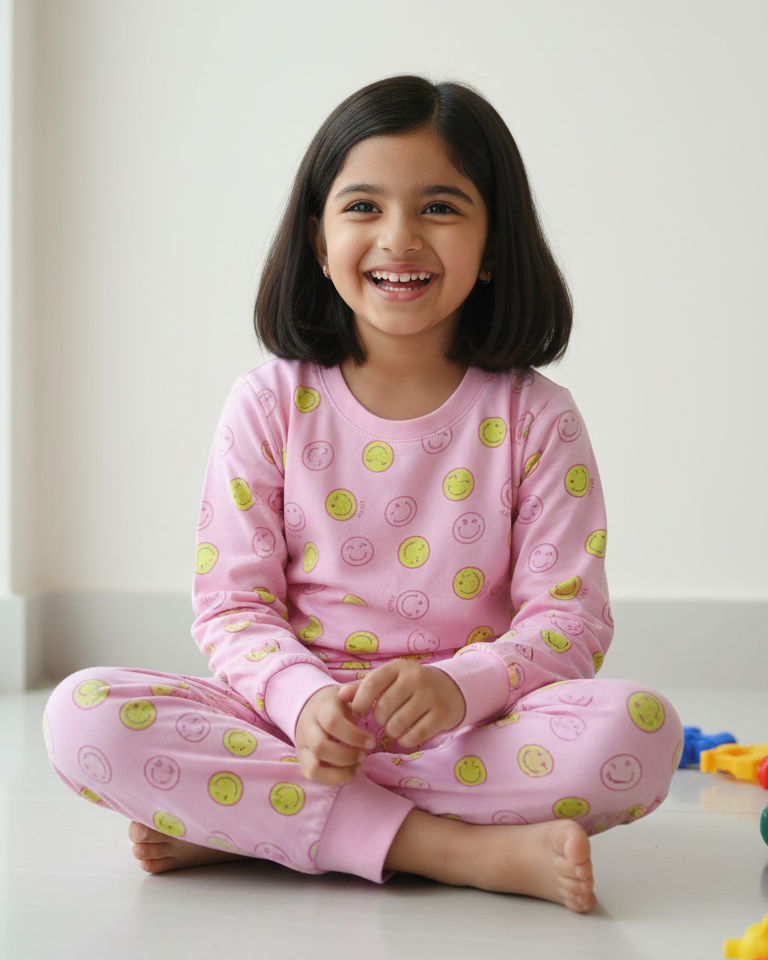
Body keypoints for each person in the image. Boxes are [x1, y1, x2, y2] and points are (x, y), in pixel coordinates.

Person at [44, 75, 682, 914]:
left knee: (640, 732)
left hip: (465, 733)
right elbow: (232, 609)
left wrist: (462, 684)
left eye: (442, 208)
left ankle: (252, 824)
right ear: (318, 239)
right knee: (83, 718)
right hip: (290, 728)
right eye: (363, 207)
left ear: (494, 242)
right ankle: (457, 852)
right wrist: (305, 702)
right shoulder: (268, 403)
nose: (400, 238)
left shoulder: (539, 419)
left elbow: (571, 620)